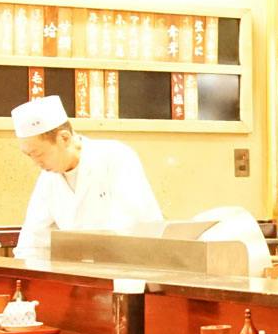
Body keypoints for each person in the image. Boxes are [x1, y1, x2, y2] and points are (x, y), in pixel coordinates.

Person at [10, 96, 164, 262]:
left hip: (130, 268)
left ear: (64, 138)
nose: (36, 163)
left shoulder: (116, 156)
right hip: (80, 272)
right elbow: (33, 241)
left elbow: (133, 226)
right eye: (29, 156)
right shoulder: (48, 177)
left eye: (39, 154)